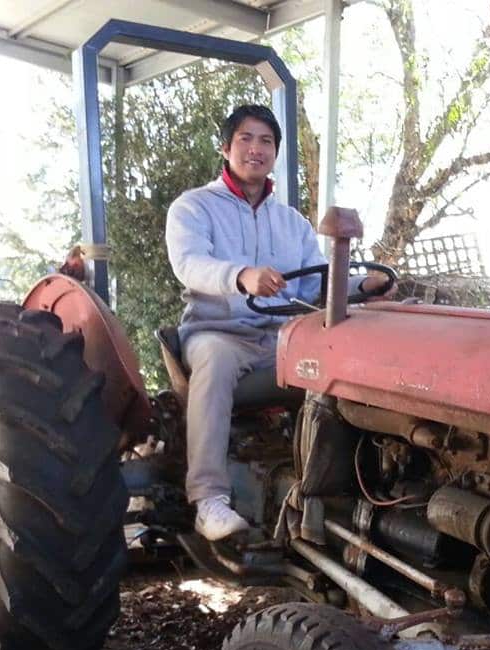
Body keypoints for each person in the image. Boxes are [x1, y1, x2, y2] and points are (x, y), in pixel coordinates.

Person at [166, 103, 390, 541]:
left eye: (266, 140)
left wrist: (366, 286)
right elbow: (189, 264)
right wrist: (240, 276)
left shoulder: (292, 223)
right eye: (246, 139)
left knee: (343, 359)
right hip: (220, 332)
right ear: (226, 148)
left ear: (275, 153)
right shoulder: (193, 207)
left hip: (281, 338)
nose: (256, 148)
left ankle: (343, 488)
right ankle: (208, 499)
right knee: (214, 361)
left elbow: (316, 283)